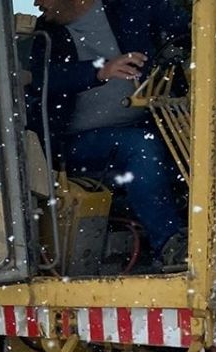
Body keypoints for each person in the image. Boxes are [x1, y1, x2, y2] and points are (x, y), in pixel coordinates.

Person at [28, 0, 191, 270]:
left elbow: (192, 29)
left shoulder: (132, 7)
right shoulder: (45, 35)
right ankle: (170, 245)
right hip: (77, 142)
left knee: (201, 139)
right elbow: (40, 80)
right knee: (141, 147)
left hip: (149, 121)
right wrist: (99, 70)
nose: (35, 3)